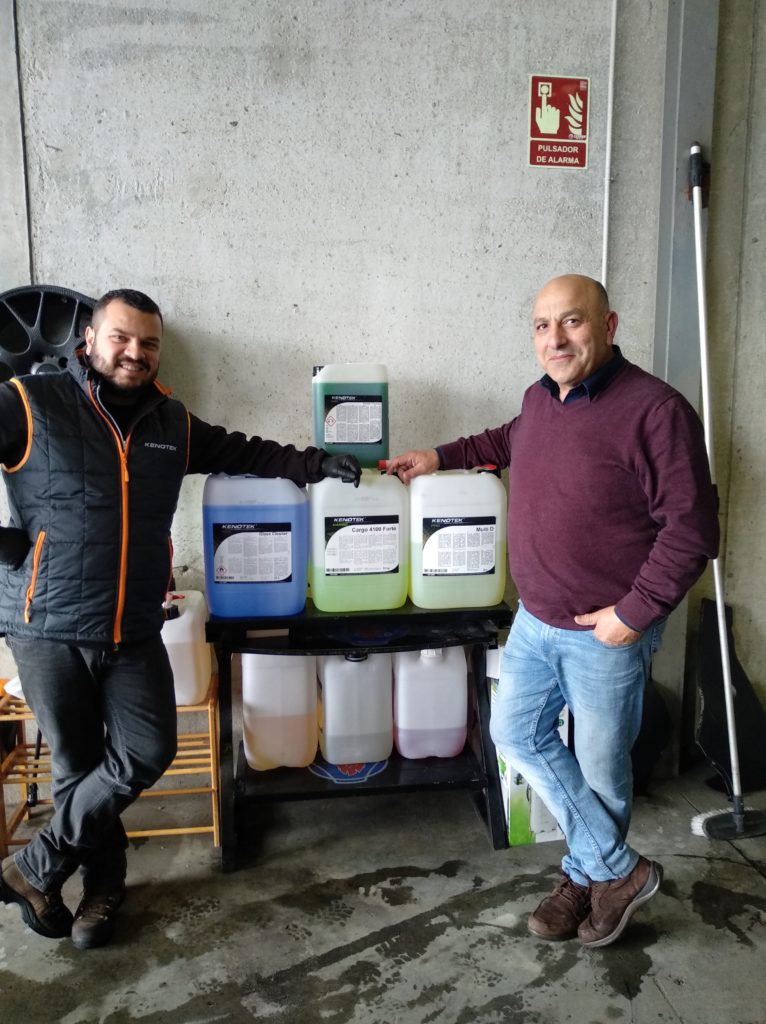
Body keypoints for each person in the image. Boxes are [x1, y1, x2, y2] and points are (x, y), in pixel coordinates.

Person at [0, 288, 360, 950]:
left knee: (145, 750)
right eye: (120, 337)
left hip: (136, 623)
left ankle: (35, 866)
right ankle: (101, 891)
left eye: (148, 342)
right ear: (89, 339)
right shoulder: (30, 401)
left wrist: (316, 465)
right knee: (79, 766)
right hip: (46, 624)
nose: (134, 352)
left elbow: (245, 452)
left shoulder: (171, 423)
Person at [387, 274, 719, 948]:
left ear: (608, 325)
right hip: (536, 620)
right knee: (516, 736)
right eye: (542, 326)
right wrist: (440, 456)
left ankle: (587, 879)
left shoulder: (656, 411)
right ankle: (616, 871)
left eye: (572, 321)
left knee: (601, 771)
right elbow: (506, 440)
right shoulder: (539, 400)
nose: (555, 339)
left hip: (606, 632)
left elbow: (692, 531)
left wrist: (634, 612)